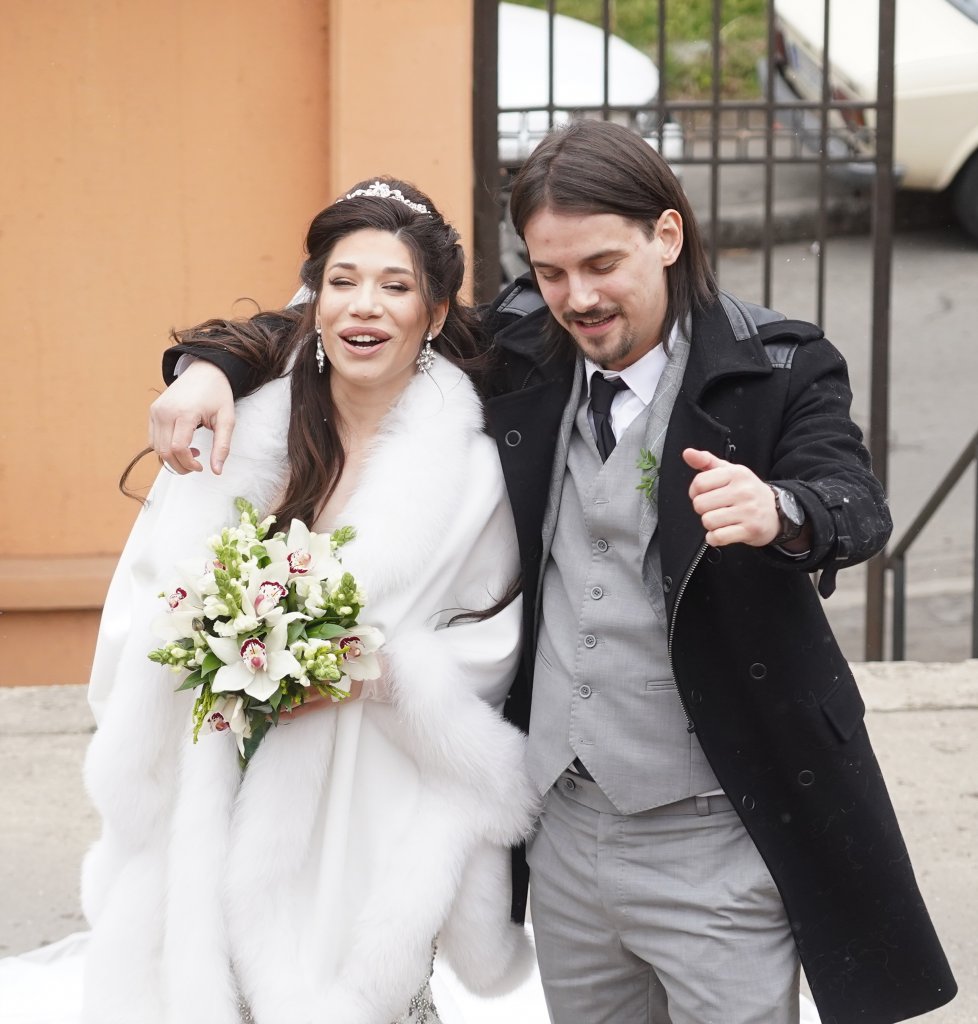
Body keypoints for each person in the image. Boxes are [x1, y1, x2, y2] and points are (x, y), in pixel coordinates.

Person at [148, 122, 957, 1024]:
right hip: (565, 834)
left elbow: (854, 499)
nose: (579, 297)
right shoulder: (525, 344)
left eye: (602, 264)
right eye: (551, 272)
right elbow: (361, 319)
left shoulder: (776, 366)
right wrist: (210, 366)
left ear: (667, 235)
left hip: (717, 834)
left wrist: (782, 511)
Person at [5, 179, 543, 1024]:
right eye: (343, 281)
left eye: (395, 286)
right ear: (312, 300)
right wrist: (210, 635)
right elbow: (146, 596)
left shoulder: (473, 474)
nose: (364, 306)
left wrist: (358, 671)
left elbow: (492, 643)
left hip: (363, 799)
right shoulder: (237, 435)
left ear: (435, 313)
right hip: (210, 772)